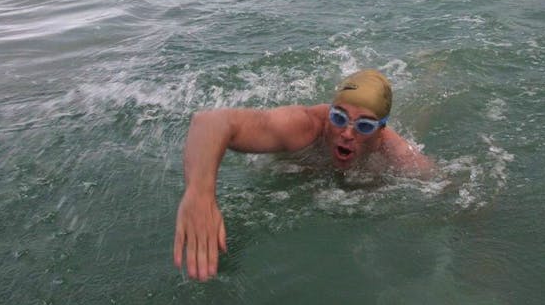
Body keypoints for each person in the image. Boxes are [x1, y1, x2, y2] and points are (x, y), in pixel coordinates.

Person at [173, 69, 433, 281]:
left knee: (421, 119)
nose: (347, 133)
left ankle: (430, 72)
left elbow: (452, 194)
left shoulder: (402, 158)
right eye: (339, 117)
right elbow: (209, 122)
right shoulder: (304, 125)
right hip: (300, 172)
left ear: (381, 130)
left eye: (364, 125)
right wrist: (199, 194)